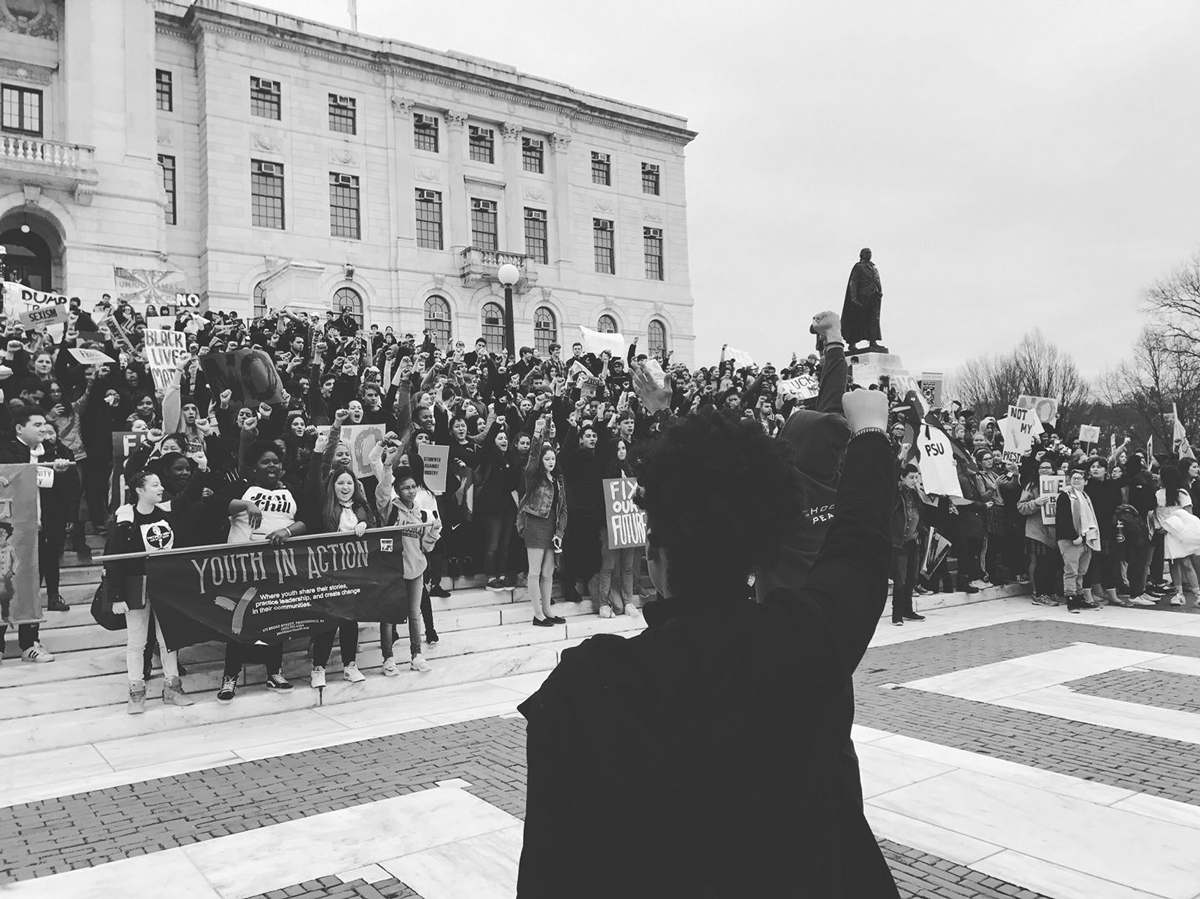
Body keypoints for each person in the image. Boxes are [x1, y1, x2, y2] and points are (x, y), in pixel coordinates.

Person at [516, 390, 900, 898]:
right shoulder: (802, 642)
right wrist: (872, 431)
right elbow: (860, 548)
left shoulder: (584, 690)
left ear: (654, 551)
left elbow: (548, 873)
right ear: (761, 547)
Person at [214, 440, 306, 702]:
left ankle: (274, 672)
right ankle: (230, 677)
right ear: (255, 466)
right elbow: (215, 505)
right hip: (244, 567)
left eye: (276, 462)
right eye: (266, 462)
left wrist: (286, 531)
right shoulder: (244, 488)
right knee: (238, 621)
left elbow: (308, 518)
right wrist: (245, 505)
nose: (272, 466)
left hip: (278, 566)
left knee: (274, 617)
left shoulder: (291, 489)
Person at [104, 471, 195, 713]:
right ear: (139, 490)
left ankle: (173, 688)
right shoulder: (126, 519)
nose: (160, 488)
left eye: (160, 483)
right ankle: (136, 692)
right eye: (155, 484)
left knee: (168, 640)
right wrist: (115, 596)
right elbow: (114, 559)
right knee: (137, 642)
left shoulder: (165, 515)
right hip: (135, 586)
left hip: (164, 585)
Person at [0, 407, 70, 662]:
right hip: (9, 533)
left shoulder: (55, 453)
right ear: (20, 428)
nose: (43, 429)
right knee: (4, 586)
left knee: (32, 587)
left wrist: (62, 472)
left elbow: (65, 491)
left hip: (42, 530)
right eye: (37, 424)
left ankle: (29, 643)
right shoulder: (5, 451)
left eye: (45, 425)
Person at [374, 457, 441, 674]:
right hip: (392, 570)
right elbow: (382, 492)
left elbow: (426, 547)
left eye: (413, 487)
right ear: (398, 490)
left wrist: (433, 533)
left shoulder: (422, 513)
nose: (410, 491)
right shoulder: (390, 509)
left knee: (414, 613)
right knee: (389, 615)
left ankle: (416, 655)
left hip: (416, 568)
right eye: (405, 488)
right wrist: (387, 467)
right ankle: (388, 658)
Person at [517, 427, 568, 627]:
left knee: (548, 572)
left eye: (552, 459)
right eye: (547, 459)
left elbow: (564, 509)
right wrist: (537, 435)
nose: (550, 462)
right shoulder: (533, 477)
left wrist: (560, 532)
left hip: (552, 526)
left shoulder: (559, 481)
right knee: (535, 571)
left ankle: (547, 610)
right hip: (535, 524)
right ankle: (537, 614)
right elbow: (531, 460)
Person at [1056, 466, 1101, 613]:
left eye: (1079, 478)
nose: (1076, 480)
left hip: (1086, 538)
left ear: (1085, 481)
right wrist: (1073, 536)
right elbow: (1063, 519)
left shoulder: (1086, 496)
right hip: (1071, 539)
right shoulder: (1065, 496)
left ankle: (1080, 596)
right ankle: (1071, 599)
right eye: (1073, 478)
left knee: (1082, 571)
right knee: (1071, 571)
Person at [1155, 463, 1200, 606]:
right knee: (1173, 563)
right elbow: (1157, 515)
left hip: (1180, 533)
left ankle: (1197, 593)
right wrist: (1160, 527)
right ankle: (1178, 593)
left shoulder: (1182, 493)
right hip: (1167, 534)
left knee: (1186, 563)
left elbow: (1189, 515)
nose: (1157, 477)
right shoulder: (1158, 494)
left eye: (1160, 475)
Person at [891, 463, 925, 625]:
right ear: (902, 478)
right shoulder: (895, 494)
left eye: (916, 477)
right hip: (899, 542)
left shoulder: (915, 494)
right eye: (911, 477)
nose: (914, 480)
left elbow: (918, 513)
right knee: (901, 580)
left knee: (912, 578)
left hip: (913, 540)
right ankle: (896, 614)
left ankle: (908, 609)